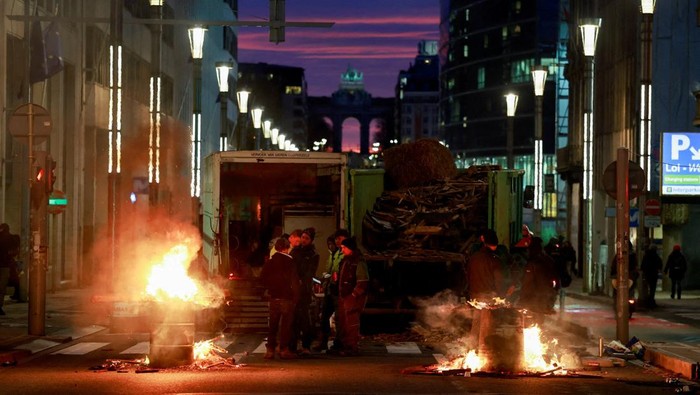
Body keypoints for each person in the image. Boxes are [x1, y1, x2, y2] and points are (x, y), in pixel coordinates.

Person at [260, 237, 299, 360]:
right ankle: (283, 349)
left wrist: (269, 289)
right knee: (286, 325)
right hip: (286, 297)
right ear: (287, 248)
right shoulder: (290, 262)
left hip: (274, 297)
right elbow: (294, 281)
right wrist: (296, 296)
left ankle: (270, 350)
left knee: (273, 324)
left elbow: (262, 278)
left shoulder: (270, 262)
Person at [334, 237, 369, 356]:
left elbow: (363, 281)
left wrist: (353, 295)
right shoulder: (346, 261)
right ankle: (345, 345)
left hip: (352, 298)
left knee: (351, 323)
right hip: (345, 296)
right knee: (344, 322)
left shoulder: (358, 262)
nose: (342, 250)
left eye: (344, 248)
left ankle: (352, 346)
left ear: (350, 248)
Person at [289, 227, 320, 355]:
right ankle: (292, 346)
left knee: (304, 318)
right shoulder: (295, 252)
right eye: (302, 237)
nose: (303, 240)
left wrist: (302, 281)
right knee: (293, 319)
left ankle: (306, 345)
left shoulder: (313, 254)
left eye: (306, 238)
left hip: (304, 291)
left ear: (311, 240)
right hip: (293, 290)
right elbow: (290, 268)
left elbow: (310, 272)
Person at [517, 237, 559, 324]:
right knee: (539, 322)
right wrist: (552, 295)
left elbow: (527, 283)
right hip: (545, 299)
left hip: (534, 300)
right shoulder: (548, 260)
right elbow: (555, 280)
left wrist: (521, 299)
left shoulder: (532, 263)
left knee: (530, 322)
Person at [314, 234, 343, 352]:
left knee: (339, 318)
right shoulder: (332, 255)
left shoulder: (340, 254)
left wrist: (331, 276)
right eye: (329, 244)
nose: (331, 246)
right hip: (330, 289)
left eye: (332, 243)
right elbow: (329, 269)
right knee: (324, 316)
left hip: (336, 290)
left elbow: (338, 271)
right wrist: (326, 275)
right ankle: (323, 342)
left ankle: (339, 343)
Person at [0, 223, 19, 315]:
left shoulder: (9, 238)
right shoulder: (11, 238)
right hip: (5, 265)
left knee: (2, 286)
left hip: (4, 265)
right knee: (1, 287)